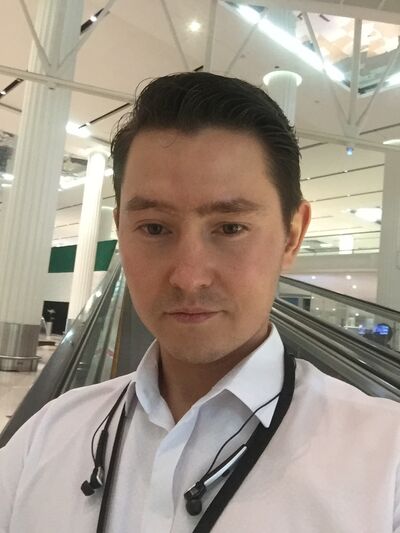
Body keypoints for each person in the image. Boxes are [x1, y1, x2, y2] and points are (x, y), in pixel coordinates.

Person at [0, 72, 399, 533]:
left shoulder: (385, 463)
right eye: (154, 228)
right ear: (121, 230)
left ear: (292, 234)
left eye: (230, 228)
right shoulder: (46, 437)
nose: (188, 278)